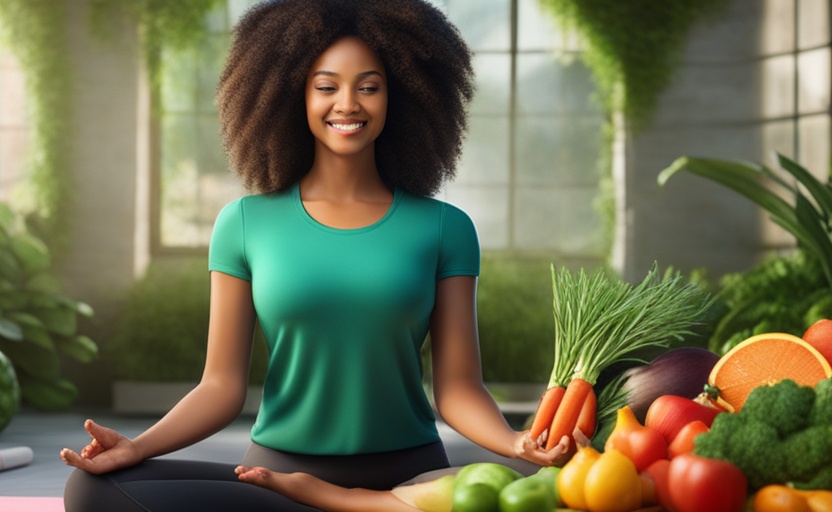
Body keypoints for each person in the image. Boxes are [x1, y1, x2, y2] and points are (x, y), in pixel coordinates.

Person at [60, 1, 574, 510]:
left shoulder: (444, 228)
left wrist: (515, 444)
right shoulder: (244, 223)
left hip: (408, 477)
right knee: (91, 490)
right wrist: (136, 447)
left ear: (400, 97)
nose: (347, 104)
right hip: (278, 477)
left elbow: (459, 387)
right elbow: (219, 386)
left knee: (525, 489)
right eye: (327, 86)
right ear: (294, 96)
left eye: (368, 87)